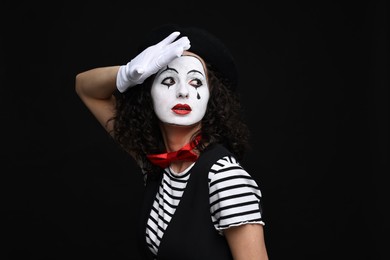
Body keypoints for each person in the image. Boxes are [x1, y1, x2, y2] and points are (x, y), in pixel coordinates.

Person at [75, 23, 269, 260]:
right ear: (149, 93)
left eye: (196, 82)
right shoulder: (155, 162)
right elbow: (85, 88)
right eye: (168, 80)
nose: (183, 92)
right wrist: (127, 73)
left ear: (212, 97)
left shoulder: (225, 178)